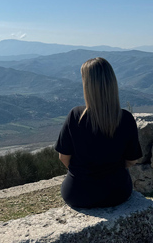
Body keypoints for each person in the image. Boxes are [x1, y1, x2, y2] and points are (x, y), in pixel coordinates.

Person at [54, 57, 142, 208]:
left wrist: (84, 174)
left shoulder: (75, 116)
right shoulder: (125, 118)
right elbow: (131, 160)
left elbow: (63, 157)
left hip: (77, 193)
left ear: (87, 85)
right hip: (117, 192)